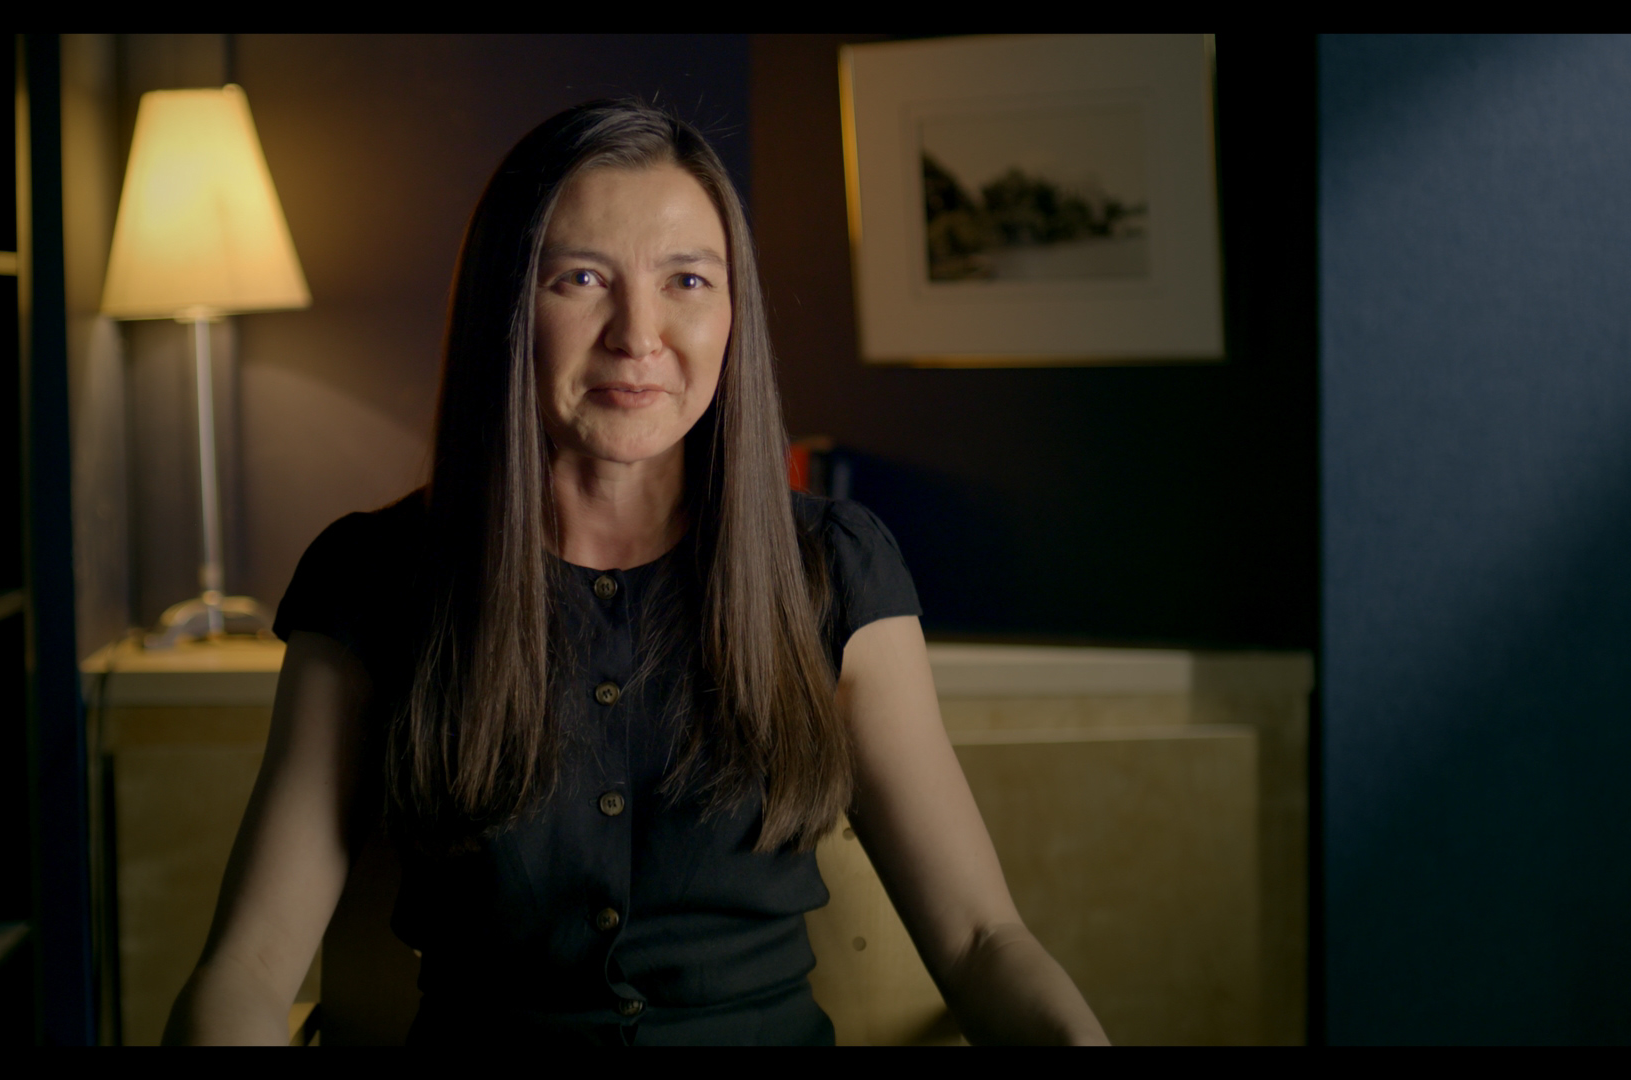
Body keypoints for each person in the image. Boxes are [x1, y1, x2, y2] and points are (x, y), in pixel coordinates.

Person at [164, 99, 1109, 1047]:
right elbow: (249, 969)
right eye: (581, 278)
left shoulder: (837, 569)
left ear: (733, 313)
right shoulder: (370, 578)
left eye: (687, 280)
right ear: (507, 306)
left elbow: (982, 939)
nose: (638, 334)